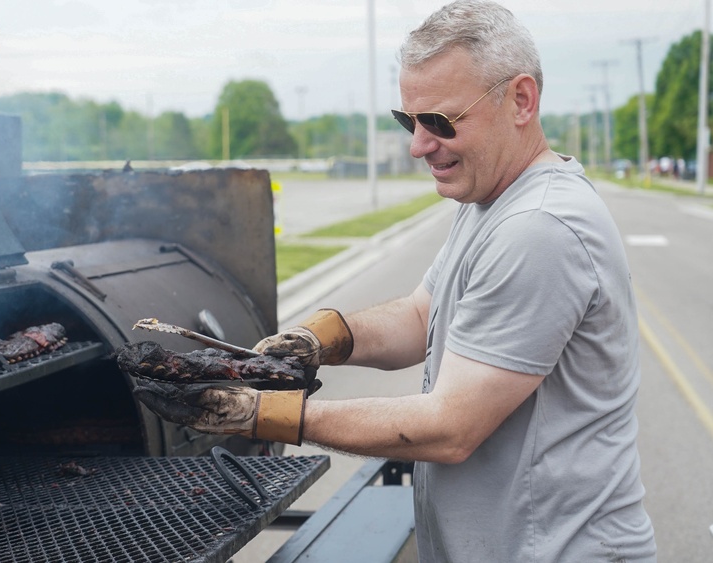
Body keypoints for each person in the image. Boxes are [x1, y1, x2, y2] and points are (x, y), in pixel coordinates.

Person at [133, 1, 657, 560]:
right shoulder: (492, 200)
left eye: (440, 121)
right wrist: (321, 338)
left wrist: (261, 414)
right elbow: (420, 315)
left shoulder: (539, 227)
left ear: (521, 100)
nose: (418, 144)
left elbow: (450, 427)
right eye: (409, 120)